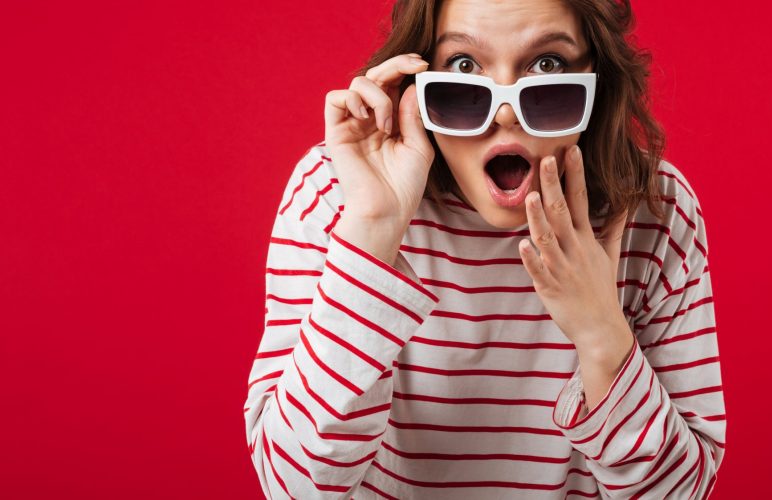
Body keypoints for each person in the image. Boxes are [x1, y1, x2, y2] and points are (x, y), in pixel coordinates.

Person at [242, 0, 726, 498]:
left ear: (596, 82)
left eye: (548, 65)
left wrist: (602, 333)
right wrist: (373, 234)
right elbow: (295, 487)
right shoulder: (337, 191)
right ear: (417, 83)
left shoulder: (654, 209)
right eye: (464, 66)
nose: (506, 111)